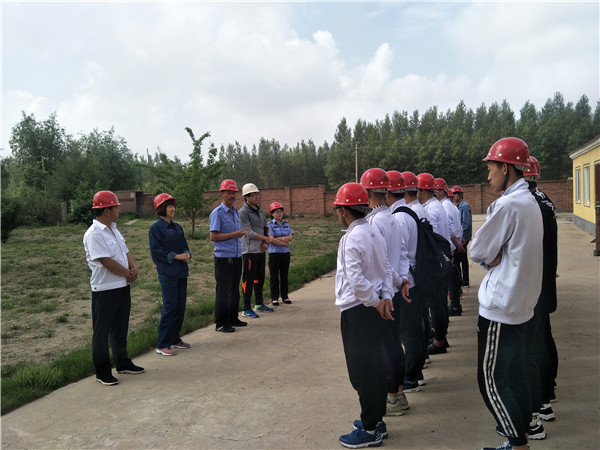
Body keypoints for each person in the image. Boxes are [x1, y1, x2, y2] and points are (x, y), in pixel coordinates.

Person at [471, 137, 543, 450]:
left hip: (501, 308)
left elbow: (477, 250)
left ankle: (518, 445)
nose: (488, 176)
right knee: (515, 377)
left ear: (505, 167)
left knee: (490, 382)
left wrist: (492, 256)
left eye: (491, 168)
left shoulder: (507, 205)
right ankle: (521, 439)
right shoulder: (530, 202)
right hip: (522, 305)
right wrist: (497, 253)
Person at [333, 182, 394, 449]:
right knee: (376, 366)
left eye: (338, 209)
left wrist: (375, 302)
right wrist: (385, 297)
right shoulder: (373, 231)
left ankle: (369, 429)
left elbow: (356, 281)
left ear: (345, 211)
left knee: (362, 372)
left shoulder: (350, 238)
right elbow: (387, 267)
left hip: (358, 310)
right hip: (375, 306)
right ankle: (376, 420)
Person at [361, 168, 411, 415]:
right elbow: (401, 254)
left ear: (368, 191)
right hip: (394, 288)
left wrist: (386, 291)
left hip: (384, 293)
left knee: (384, 347)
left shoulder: (373, 222)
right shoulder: (391, 218)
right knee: (393, 343)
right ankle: (398, 393)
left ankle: (391, 397)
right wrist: (402, 280)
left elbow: (382, 262)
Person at [83, 190, 144, 386]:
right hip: (105, 289)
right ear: (107, 211)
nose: (119, 210)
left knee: (120, 327)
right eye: (116, 207)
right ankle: (102, 371)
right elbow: (106, 262)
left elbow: (125, 252)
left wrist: (134, 267)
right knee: (101, 333)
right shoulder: (94, 234)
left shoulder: (114, 230)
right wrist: (129, 274)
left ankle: (122, 362)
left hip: (122, 286)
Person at [149, 193, 192, 356]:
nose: (173, 209)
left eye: (173, 206)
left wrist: (187, 254)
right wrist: (176, 256)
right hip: (168, 274)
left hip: (181, 272)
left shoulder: (177, 227)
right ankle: (162, 344)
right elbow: (157, 252)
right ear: (161, 208)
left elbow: (184, 245)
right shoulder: (155, 228)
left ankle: (175, 338)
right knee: (170, 307)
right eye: (169, 206)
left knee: (180, 306)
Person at [417, 173, 451, 356]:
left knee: (436, 304)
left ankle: (439, 340)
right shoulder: (437, 206)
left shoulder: (430, 210)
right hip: (442, 258)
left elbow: (432, 238)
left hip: (435, 260)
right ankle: (441, 336)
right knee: (440, 302)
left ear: (422, 191)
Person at [209, 179, 247, 333]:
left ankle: (232, 317)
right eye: (229, 192)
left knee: (234, 290)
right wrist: (235, 234)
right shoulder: (217, 213)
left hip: (236, 256)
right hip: (224, 258)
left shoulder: (235, 211)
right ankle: (221, 322)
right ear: (222, 193)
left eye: (234, 193)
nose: (232, 196)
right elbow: (213, 236)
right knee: (223, 291)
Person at [239, 183, 273, 318]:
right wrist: (265, 239)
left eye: (257, 194)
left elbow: (265, 226)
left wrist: (264, 242)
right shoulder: (243, 212)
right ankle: (246, 308)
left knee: (259, 278)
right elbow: (248, 232)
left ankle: (259, 303)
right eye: (254, 195)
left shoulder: (259, 210)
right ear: (246, 197)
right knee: (248, 280)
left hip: (260, 250)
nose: (257, 197)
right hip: (249, 252)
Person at [435, 178, 464, 317]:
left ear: (441, 192)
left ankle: (455, 306)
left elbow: (451, 228)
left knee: (450, 281)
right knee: (453, 277)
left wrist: (456, 244)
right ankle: (455, 304)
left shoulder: (444, 207)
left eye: (435, 190)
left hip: (450, 247)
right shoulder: (450, 206)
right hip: (453, 245)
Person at [267, 201, 293, 306]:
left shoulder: (286, 224)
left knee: (284, 275)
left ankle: (285, 296)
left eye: (280, 211)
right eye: (276, 211)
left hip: (285, 254)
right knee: (274, 276)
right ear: (272, 213)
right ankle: (274, 298)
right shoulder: (270, 225)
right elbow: (271, 240)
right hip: (274, 254)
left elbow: (290, 237)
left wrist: (280, 239)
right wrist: (284, 243)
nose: (279, 213)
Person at [451, 185, 472, 288]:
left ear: (460, 195)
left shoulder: (464, 206)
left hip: (464, 237)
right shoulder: (456, 206)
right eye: (453, 194)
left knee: (462, 259)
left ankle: (465, 281)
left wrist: (460, 236)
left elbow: (466, 224)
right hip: (460, 237)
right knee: (460, 259)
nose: (454, 196)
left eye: (455, 194)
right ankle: (462, 280)